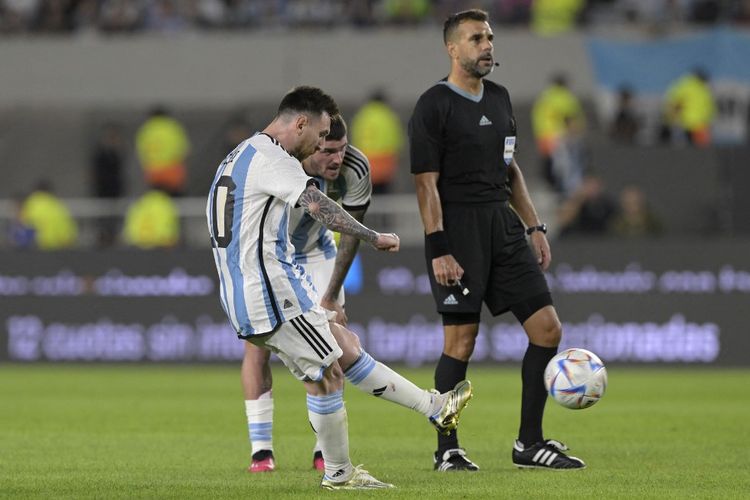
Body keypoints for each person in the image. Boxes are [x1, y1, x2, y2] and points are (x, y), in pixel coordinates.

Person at [208, 86, 471, 490]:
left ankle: (434, 406)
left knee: (342, 345)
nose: (322, 144)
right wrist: (372, 235)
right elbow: (318, 206)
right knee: (329, 372)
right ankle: (339, 474)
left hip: (253, 290)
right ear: (300, 124)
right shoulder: (275, 159)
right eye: (320, 134)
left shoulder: (240, 155)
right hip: (269, 294)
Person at [409, 9, 586, 471]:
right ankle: (447, 449)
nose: (487, 46)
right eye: (476, 39)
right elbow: (426, 184)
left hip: (503, 226)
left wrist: (534, 226)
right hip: (458, 230)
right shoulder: (434, 105)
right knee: (461, 341)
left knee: (548, 328)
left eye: (489, 37)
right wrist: (439, 247)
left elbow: (511, 171)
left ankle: (529, 443)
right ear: (452, 48)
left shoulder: (502, 99)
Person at [531, 73, 585, 193]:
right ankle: (566, 190)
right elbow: (571, 118)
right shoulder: (566, 97)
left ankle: (553, 187)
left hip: (543, 137)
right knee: (567, 167)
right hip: (561, 137)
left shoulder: (543, 98)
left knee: (553, 165)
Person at [350, 89, 405, 194]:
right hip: (385, 163)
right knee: (383, 198)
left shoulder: (362, 116)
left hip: (364, 163)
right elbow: (397, 141)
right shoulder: (389, 116)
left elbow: (355, 138)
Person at [136, 106, 191, 196]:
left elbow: (142, 152)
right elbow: (184, 150)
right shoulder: (173, 127)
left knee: (156, 199)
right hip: (172, 171)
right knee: (175, 200)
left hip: (153, 172)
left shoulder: (146, 130)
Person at [91, 122, 126, 247]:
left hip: (116, 194)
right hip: (103, 193)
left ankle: (113, 237)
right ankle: (104, 238)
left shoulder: (118, 155)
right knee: (104, 219)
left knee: (114, 219)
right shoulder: (100, 154)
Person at [661, 68, 716, 146]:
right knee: (698, 153)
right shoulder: (703, 89)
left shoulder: (683, 85)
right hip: (694, 126)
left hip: (691, 125)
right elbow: (676, 104)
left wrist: (670, 120)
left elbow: (673, 104)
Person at [21, 181, 78, 250]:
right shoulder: (57, 204)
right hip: (60, 245)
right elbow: (69, 229)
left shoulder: (32, 203)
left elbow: (24, 224)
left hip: (40, 246)